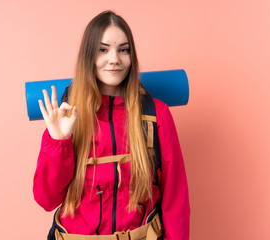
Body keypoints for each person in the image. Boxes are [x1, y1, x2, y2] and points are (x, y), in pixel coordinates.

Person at [33, 10, 190, 240]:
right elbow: (46, 200)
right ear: (89, 55)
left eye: (123, 50)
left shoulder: (157, 115)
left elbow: (175, 199)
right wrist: (59, 142)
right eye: (103, 49)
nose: (114, 59)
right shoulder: (67, 115)